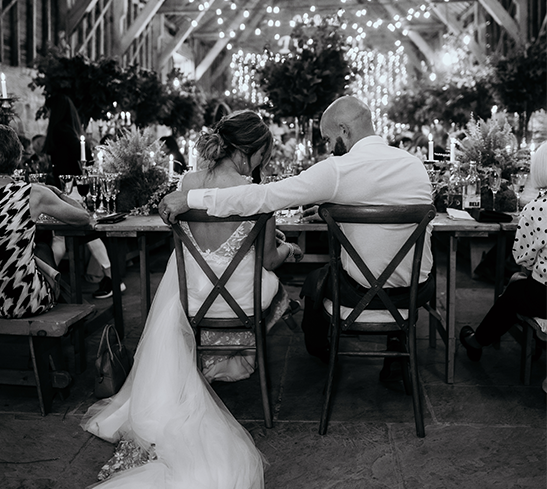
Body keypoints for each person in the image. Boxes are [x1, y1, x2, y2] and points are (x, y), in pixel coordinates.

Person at [81, 110, 302, 488]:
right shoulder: (256, 194)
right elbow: (267, 259)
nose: (262, 163)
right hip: (240, 300)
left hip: (193, 297)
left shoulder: (187, 184)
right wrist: (289, 250)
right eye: (262, 155)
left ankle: (220, 359)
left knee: (244, 282)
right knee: (275, 287)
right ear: (248, 152)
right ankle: (241, 354)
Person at [159, 96, 435, 370]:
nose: (329, 148)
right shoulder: (414, 165)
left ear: (344, 129)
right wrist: (333, 214)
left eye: (328, 139)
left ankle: (319, 349)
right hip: (416, 291)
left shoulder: (338, 170)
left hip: (359, 293)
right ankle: (397, 346)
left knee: (315, 280)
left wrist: (192, 198)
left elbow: (264, 198)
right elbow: (383, 203)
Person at [460, 141, 547, 362]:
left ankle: (477, 341)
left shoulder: (537, 208)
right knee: (520, 289)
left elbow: (522, 258)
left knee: (515, 291)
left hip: (544, 296)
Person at [0, 125, 93, 318]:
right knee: (42, 249)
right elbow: (84, 218)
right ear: (17, 155)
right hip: (20, 302)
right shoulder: (32, 193)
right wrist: (57, 193)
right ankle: (76, 314)